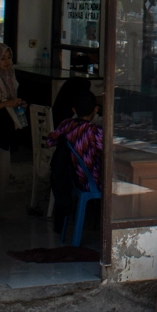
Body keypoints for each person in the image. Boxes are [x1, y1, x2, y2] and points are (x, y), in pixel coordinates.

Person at [45, 88, 103, 233]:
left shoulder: (66, 124)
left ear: (73, 109)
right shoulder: (93, 131)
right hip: (90, 181)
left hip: (71, 178)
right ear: (96, 109)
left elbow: (50, 141)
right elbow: (110, 149)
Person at [0, 42, 28, 228]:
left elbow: (10, 101)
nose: (6, 62)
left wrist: (17, 104)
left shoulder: (10, 77)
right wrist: (7, 103)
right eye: (2, 58)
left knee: (2, 177)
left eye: (8, 57)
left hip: (5, 134)